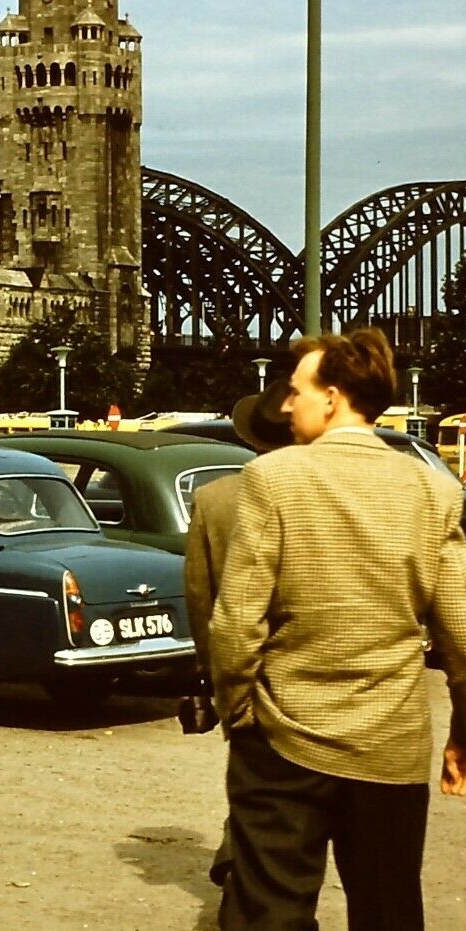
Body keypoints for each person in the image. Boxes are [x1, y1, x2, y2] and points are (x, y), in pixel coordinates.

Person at [210, 328, 466, 931]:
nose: (286, 406)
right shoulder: (433, 490)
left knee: (266, 922)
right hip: (388, 748)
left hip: (282, 740)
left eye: (297, 392)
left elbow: (236, 625)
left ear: (333, 397)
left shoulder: (272, 479)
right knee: (389, 920)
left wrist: (238, 710)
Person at [183, 380, 293, 893]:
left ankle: (241, 855)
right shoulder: (321, 494)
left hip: (239, 663)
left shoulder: (213, 499)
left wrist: (207, 672)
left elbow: (200, 593)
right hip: (307, 662)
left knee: (250, 774)